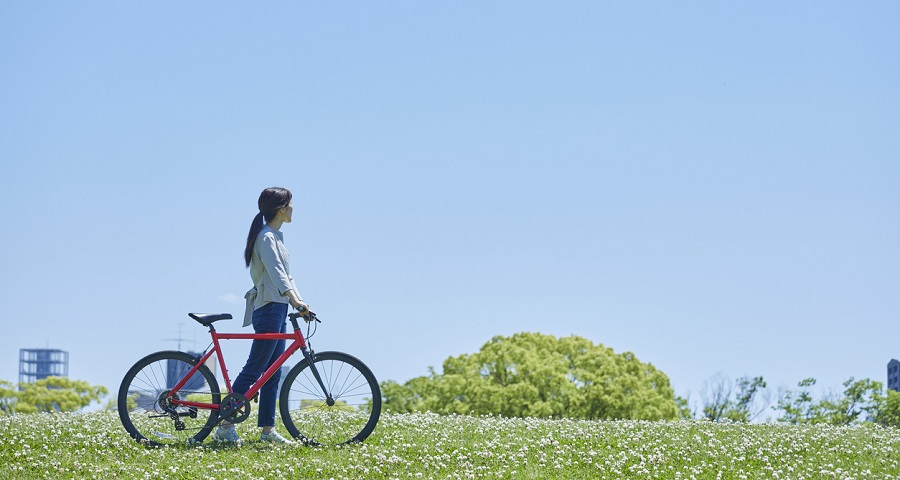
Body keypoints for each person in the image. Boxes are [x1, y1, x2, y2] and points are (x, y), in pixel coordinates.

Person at [214, 187, 307, 445]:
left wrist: (300, 301)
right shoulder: (266, 238)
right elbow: (277, 273)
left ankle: (267, 431)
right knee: (255, 368)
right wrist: (295, 300)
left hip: (279, 307)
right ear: (281, 208)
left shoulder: (276, 236)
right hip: (268, 307)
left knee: (272, 373)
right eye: (290, 204)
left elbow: (287, 276)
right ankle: (225, 426)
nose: (293, 208)